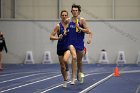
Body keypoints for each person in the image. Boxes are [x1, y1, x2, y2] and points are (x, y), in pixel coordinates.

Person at [65, 4, 91, 84]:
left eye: (76, 10)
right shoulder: (68, 20)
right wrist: (65, 33)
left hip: (79, 44)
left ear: (78, 11)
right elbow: (65, 29)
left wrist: (80, 28)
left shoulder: (82, 20)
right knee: (74, 58)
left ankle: (80, 73)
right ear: (71, 11)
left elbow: (88, 31)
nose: (75, 12)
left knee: (79, 62)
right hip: (71, 43)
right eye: (73, 10)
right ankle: (73, 78)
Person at [50, 10, 71, 88]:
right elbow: (51, 36)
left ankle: (68, 70)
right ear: (60, 16)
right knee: (62, 66)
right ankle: (65, 80)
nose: (64, 16)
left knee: (65, 60)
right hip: (60, 47)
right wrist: (57, 37)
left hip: (68, 46)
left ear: (67, 16)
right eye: (63, 15)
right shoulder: (58, 26)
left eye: (66, 15)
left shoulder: (70, 24)